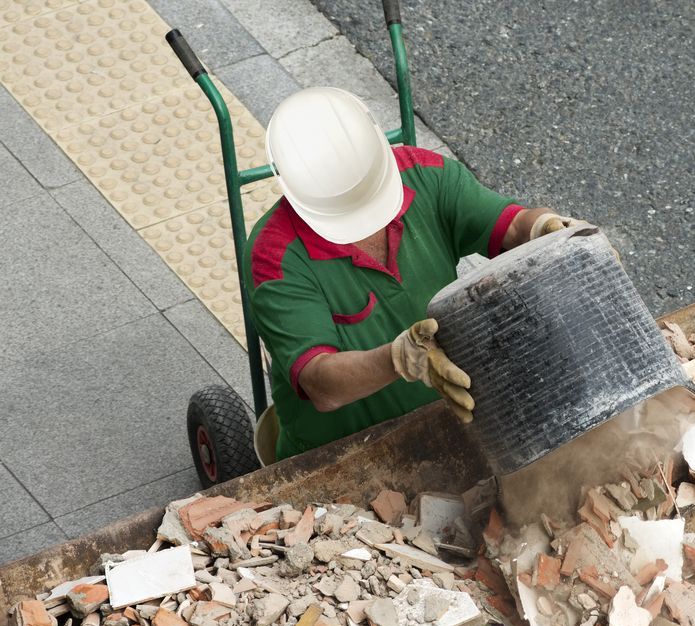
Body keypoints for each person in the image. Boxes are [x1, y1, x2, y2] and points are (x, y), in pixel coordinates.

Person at [243, 87, 593, 461]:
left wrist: (545, 227)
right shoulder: (273, 255)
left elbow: (509, 227)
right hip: (340, 454)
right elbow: (321, 383)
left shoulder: (426, 175)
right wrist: (399, 358)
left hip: (452, 416)